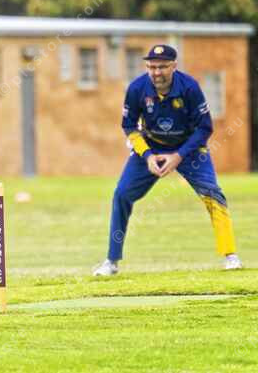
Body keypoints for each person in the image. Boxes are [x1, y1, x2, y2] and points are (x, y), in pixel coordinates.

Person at [93, 44, 243, 276]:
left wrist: (178, 156)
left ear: (174, 66)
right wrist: (147, 155)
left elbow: (205, 128)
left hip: (189, 149)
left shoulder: (189, 87)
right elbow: (129, 126)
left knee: (213, 194)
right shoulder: (137, 88)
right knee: (121, 195)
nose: (156, 72)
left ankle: (230, 256)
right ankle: (111, 261)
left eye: (162, 67)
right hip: (151, 148)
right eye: (152, 67)